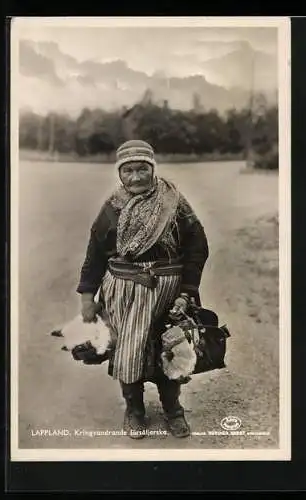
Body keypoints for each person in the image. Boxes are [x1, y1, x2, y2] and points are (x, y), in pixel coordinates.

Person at [76, 140, 209, 439]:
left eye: (142, 169)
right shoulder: (111, 209)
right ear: (119, 173)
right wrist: (88, 297)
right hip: (122, 293)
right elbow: (95, 254)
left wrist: (186, 292)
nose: (136, 177)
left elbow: (197, 248)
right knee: (129, 352)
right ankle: (134, 410)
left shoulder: (174, 202)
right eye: (128, 170)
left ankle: (173, 409)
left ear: (153, 168)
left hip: (168, 292)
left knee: (170, 348)